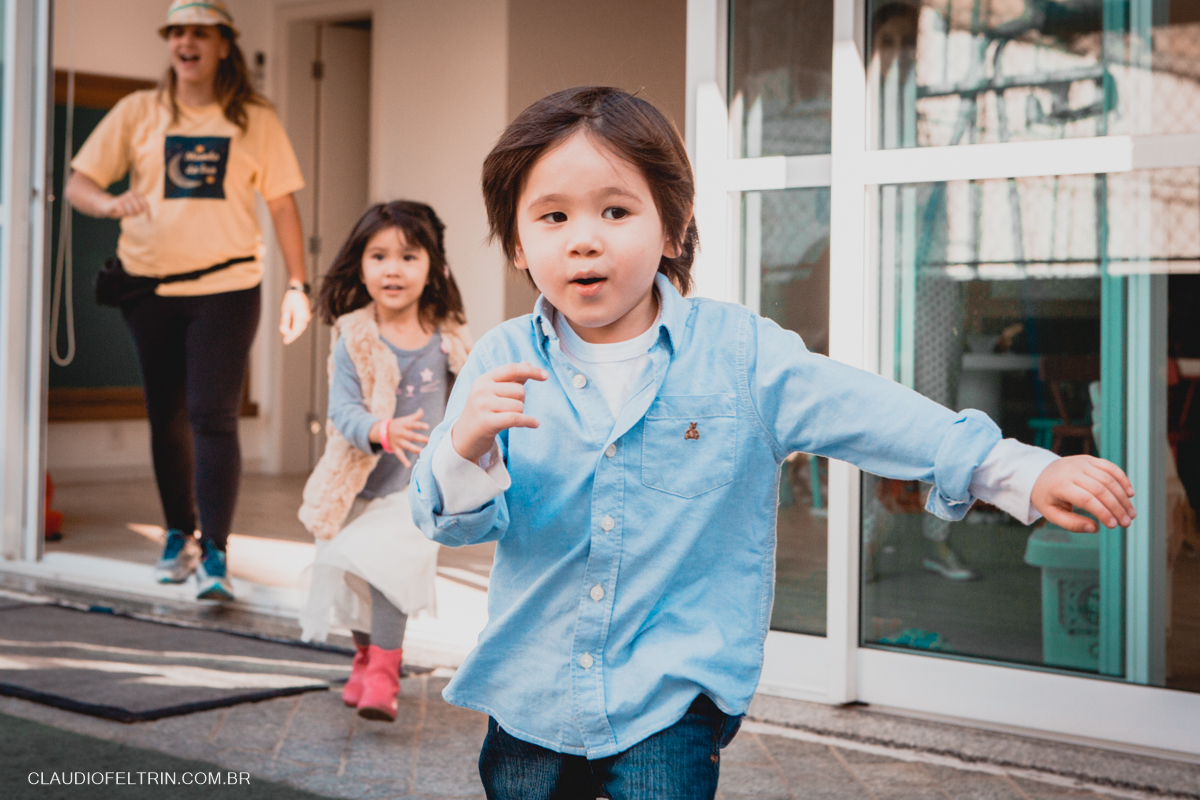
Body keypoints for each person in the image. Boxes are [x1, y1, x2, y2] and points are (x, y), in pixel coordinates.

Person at [408, 87, 1137, 800]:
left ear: (672, 228)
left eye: (616, 210)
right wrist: (464, 446)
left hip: (670, 696)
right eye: (553, 216)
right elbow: (456, 520)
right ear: (516, 244)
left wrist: (1016, 471)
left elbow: (869, 411)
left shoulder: (739, 354)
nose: (584, 236)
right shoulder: (499, 361)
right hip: (531, 691)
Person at [65, 0, 311, 601]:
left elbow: (281, 205)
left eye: (200, 31)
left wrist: (299, 286)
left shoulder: (255, 118)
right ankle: (178, 533)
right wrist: (108, 204)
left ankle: (217, 553)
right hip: (148, 289)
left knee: (212, 415)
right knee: (165, 415)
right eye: (177, 31)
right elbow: (79, 182)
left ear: (224, 44)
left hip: (227, 289)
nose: (186, 41)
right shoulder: (137, 111)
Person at [298, 201, 471, 722]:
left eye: (408, 256)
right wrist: (381, 429)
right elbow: (342, 410)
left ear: (434, 268)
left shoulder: (450, 339)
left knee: (387, 571)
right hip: (358, 484)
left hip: (417, 488)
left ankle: (384, 673)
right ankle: (364, 655)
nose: (393, 269)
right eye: (379, 256)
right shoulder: (353, 335)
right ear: (361, 267)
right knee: (353, 582)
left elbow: (470, 401)